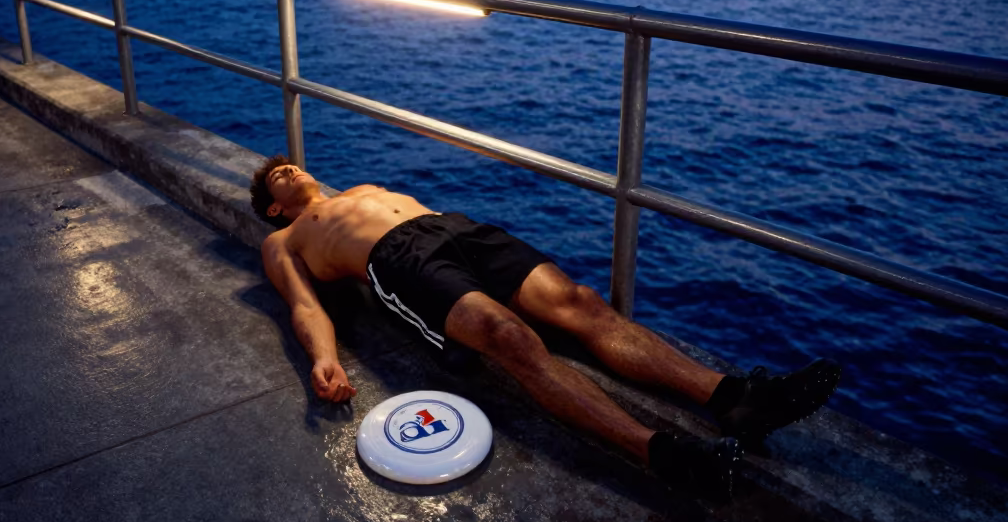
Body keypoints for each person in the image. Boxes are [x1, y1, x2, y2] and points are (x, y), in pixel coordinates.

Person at [251, 155, 841, 499]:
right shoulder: (284, 239)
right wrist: (320, 360)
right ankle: (666, 455)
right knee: (509, 339)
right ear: (273, 208)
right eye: (276, 175)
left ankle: (735, 397)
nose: (288, 168)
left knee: (580, 302)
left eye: (289, 163)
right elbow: (306, 307)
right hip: (399, 262)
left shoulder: (362, 187)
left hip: (454, 229)